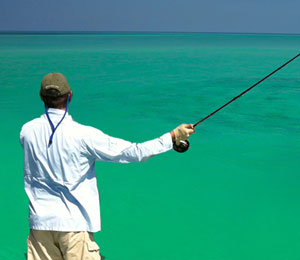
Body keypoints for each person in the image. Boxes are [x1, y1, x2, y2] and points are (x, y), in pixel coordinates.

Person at [20, 72, 195, 260]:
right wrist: (172, 136)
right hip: (74, 227)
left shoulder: (27, 131)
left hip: (39, 226)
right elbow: (134, 152)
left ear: (41, 97)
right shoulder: (83, 135)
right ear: (70, 95)